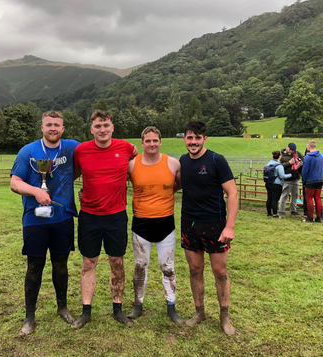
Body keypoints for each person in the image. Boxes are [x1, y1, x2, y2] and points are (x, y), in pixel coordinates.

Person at [10, 110, 79, 335]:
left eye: (57, 125)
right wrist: (34, 192)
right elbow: (14, 183)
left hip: (62, 218)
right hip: (35, 219)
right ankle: (30, 316)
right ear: (42, 127)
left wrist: (130, 148)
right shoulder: (28, 151)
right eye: (49, 124)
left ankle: (63, 307)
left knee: (61, 265)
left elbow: (99, 146)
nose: (53, 128)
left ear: (63, 128)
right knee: (34, 267)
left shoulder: (71, 147)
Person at [72, 110, 135, 329]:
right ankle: (86, 311)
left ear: (112, 127)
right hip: (89, 216)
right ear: (91, 129)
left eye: (106, 125)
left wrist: (124, 180)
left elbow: (139, 167)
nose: (102, 130)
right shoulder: (81, 150)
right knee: (89, 262)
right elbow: (72, 174)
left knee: (116, 262)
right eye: (98, 126)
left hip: (116, 216)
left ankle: (117, 309)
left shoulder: (126, 148)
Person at [180, 120, 238, 336]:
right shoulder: (183, 161)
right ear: (185, 139)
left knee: (220, 271)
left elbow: (232, 193)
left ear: (204, 139)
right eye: (189, 137)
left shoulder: (216, 160)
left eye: (197, 137)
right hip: (189, 223)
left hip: (215, 224)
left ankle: (225, 316)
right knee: (195, 269)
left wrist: (229, 227)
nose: (193, 142)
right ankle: (199, 312)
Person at [126, 126, 183, 324]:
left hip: (166, 223)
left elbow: (179, 185)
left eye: (155, 141)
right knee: (140, 266)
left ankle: (171, 306)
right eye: (147, 141)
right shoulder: (132, 165)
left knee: (167, 267)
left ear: (160, 142)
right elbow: (114, 184)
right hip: (140, 223)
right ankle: (138, 305)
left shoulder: (173, 163)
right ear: (142, 143)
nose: (151, 144)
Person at [278, 143, 304, 216]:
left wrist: (299, 160)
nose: (293, 152)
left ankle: (293, 210)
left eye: (293, 151)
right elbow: (280, 166)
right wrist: (289, 163)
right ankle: (281, 210)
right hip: (287, 179)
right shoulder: (282, 156)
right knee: (284, 195)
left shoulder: (297, 153)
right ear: (287, 148)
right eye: (291, 150)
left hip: (296, 178)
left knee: (295, 195)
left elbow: (303, 157)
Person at [265, 151, 292, 218]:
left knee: (269, 198)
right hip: (276, 184)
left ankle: (269, 213)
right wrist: (291, 175)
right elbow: (282, 176)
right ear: (280, 156)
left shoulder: (269, 163)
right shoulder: (279, 166)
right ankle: (275, 214)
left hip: (268, 183)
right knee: (275, 199)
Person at [301, 141, 323, 223]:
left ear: (309, 147)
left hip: (310, 180)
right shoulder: (321, 156)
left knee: (309, 198)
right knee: (317, 198)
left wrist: (304, 181)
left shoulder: (308, 157)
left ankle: (310, 217)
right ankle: (318, 217)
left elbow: (305, 171)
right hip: (320, 179)